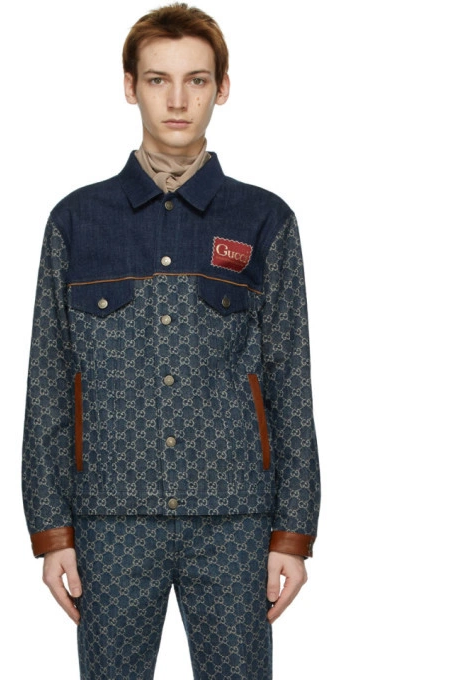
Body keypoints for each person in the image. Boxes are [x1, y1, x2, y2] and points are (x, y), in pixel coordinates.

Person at [21, 3, 321, 678]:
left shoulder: (265, 219)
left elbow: (289, 378)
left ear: (223, 87)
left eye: (197, 80)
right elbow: (48, 380)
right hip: (110, 519)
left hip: (235, 520)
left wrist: (293, 534)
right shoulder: (76, 220)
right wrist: (51, 530)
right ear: (130, 86)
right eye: (159, 80)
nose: (178, 100)